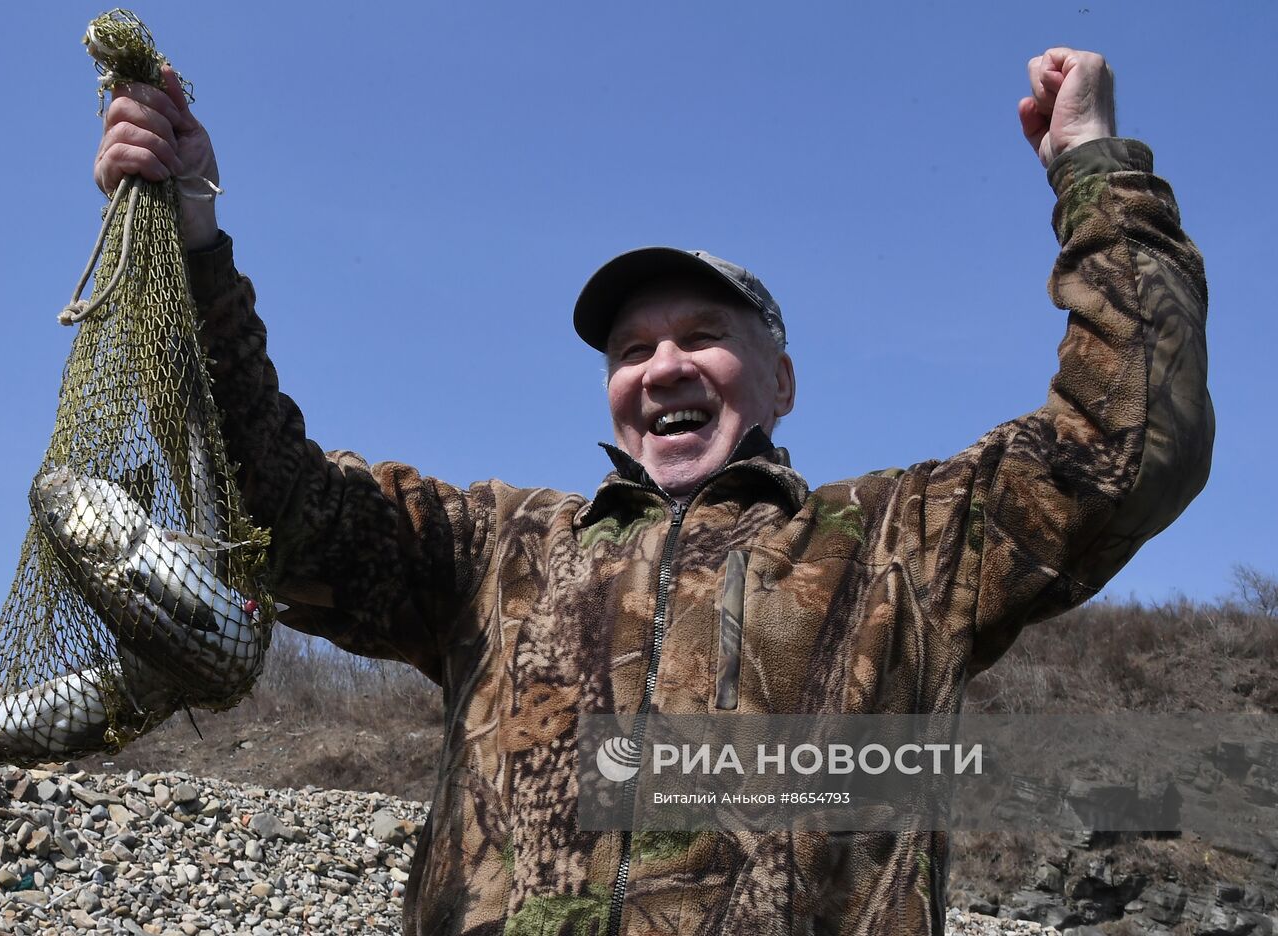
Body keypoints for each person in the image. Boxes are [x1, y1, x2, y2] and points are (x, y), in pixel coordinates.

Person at [95, 47, 1211, 936]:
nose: (662, 366)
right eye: (630, 350)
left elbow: (1126, 440)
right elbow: (269, 500)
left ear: (779, 379)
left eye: (701, 336)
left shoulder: (899, 546)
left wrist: (1095, 172)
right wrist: (189, 230)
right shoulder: (493, 551)